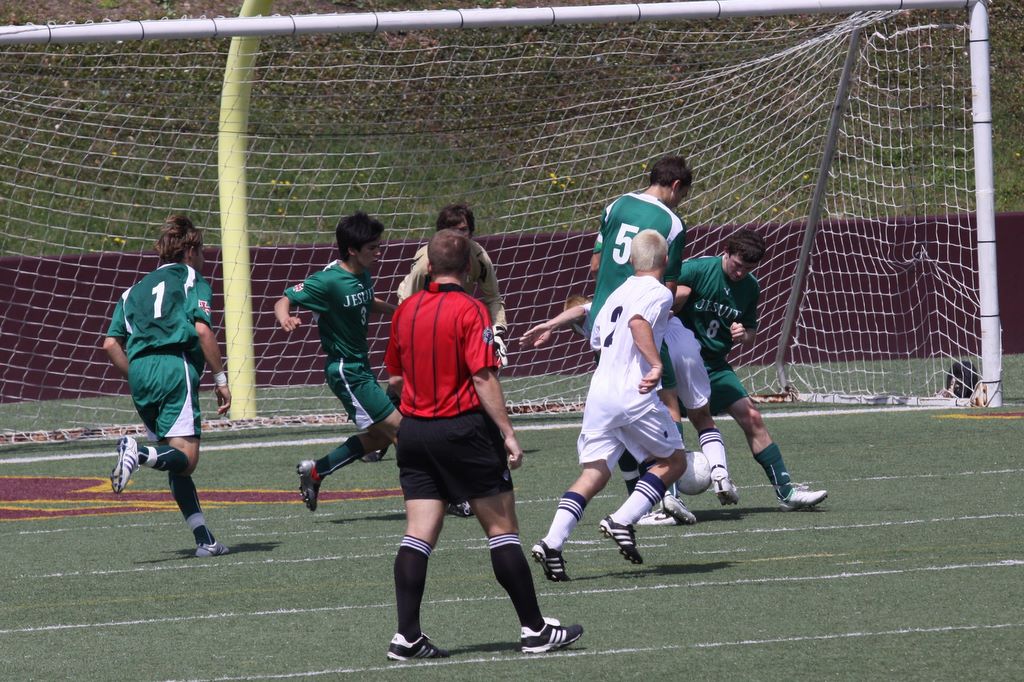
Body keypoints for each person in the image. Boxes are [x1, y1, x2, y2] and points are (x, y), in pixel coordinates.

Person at [383, 228, 583, 659]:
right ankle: (535, 630)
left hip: (414, 432)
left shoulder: (406, 310)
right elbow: (482, 376)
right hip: (464, 430)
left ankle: (407, 636)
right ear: (470, 267)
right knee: (502, 530)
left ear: (429, 266)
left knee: (418, 534)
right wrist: (508, 432)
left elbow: (395, 377)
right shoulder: (473, 310)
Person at [530, 230, 687, 582]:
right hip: (632, 394)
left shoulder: (616, 292)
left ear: (631, 260)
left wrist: (554, 324)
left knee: (595, 473)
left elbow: (599, 340)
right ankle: (622, 520)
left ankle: (552, 543)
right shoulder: (659, 292)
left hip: (600, 393)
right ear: (665, 261)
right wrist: (656, 365)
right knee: (674, 462)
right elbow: (638, 323)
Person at [590, 154, 735, 513]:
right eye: (683, 195)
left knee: (618, 418)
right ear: (676, 186)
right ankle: (666, 497)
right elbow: (667, 288)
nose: (681, 201)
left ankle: (641, 499)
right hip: (642, 326)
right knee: (666, 405)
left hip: (604, 322)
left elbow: (595, 264)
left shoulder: (615, 205)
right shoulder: (671, 223)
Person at [103, 214, 232, 557]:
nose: (204, 258)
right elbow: (202, 331)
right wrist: (220, 379)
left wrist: (138, 375)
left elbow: (110, 344)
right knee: (186, 459)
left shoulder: (132, 291)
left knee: (173, 461)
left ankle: (205, 540)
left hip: (140, 372)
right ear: (190, 251)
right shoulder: (191, 278)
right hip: (174, 365)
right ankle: (138, 452)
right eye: (202, 251)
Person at [675, 228, 827, 510]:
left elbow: (751, 334)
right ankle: (669, 499)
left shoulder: (750, 287)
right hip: (679, 362)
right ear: (726, 252)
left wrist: (742, 334)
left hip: (716, 365)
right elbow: (658, 293)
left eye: (748, 269)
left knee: (753, 417)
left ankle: (786, 493)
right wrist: (677, 297)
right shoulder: (696, 270)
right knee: (672, 425)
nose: (740, 273)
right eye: (737, 265)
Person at [274, 212, 399, 512]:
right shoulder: (328, 280)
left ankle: (316, 472)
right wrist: (285, 318)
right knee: (402, 432)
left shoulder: (362, 272)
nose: (378, 253)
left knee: (378, 438)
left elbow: (367, 300)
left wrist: (400, 312)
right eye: (372, 248)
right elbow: (284, 299)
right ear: (352, 250)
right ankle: (441, 497)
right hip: (347, 370)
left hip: (361, 366)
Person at [392, 203, 510, 518]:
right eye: (454, 230)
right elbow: (407, 300)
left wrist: (498, 332)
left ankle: (462, 480)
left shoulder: (479, 257)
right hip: (428, 324)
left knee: (468, 394)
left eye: (465, 230)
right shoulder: (426, 262)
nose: (461, 235)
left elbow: (493, 297)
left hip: (459, 320)